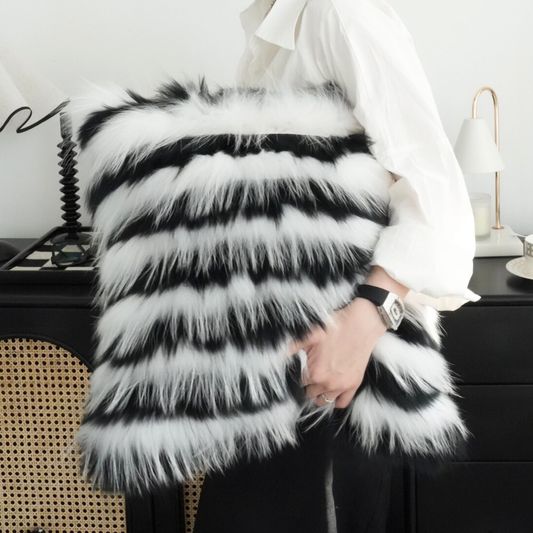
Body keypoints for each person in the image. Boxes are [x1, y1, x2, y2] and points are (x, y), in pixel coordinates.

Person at [192, 0, 480, 531]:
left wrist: (366, 320)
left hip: (333, 361)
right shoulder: (271, 30)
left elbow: (436, 194)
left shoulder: (340, 15)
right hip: (275, 360)